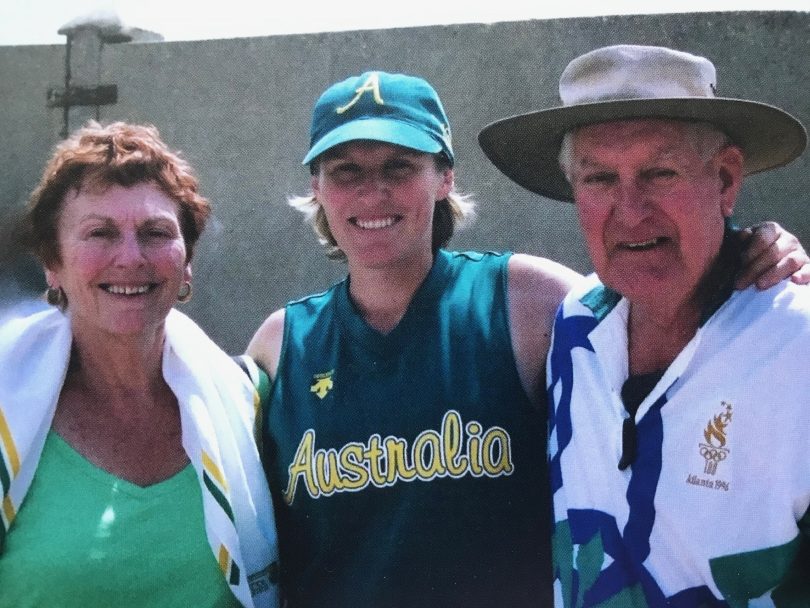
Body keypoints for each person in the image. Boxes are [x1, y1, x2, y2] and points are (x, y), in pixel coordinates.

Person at [248, 70, 809, 607]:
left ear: (444, 178)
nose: (374, 192)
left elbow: (670, 285)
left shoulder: (532, 301)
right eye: (346, 170)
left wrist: (756, 254)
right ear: (316, 187)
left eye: (400, 165)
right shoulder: (281, 345)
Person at [479, 44, 810, 605]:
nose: (629, 211)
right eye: (599, 179)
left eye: (660, 172)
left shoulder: (795, 341)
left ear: (726, 181)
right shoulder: (575, 323)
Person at [0, 122, 279, 608]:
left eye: (155, 233)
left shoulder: (247, 404)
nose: (130, 258)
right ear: (52, 263)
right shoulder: (7, 407)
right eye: (99, 233)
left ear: (187, 262)